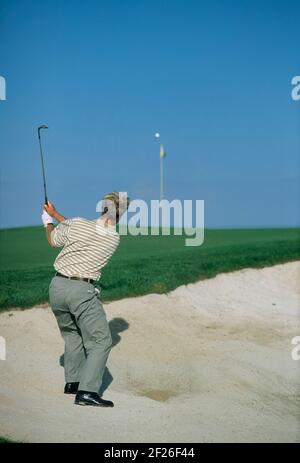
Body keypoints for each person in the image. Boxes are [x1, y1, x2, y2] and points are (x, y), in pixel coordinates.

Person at [41, 192, 129, 407]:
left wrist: (48, 221)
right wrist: (56, 215)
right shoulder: (113, 238)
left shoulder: (78, 224)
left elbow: (54, 239)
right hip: (81, 291)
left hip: (57, 288)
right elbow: (83, 229)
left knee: (72, 335)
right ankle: (87, 392)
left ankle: (72, 383)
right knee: (101, 341)